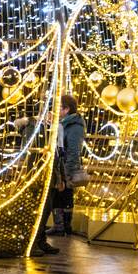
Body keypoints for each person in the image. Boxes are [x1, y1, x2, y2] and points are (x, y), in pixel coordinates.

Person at [48, 94, 86, 237]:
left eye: (59, 108)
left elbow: (73, 150)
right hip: (60, 167)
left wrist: (68, 172)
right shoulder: (64, 124)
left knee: (65, 195)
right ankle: (60, 226)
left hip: (66, 167)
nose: (56, 111)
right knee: (59, 195)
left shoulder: (74, 126)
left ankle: (63, 226)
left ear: (66, 109)